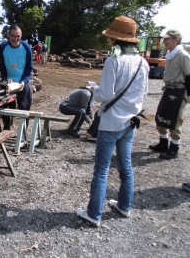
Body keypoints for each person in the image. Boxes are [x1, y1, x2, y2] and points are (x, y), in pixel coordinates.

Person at [76, 16, 149, 227]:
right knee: (126, 167)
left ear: (114, 39)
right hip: (130, 122)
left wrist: (93, 90)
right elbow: (143, 93)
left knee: (101, 170)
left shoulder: (113, 60)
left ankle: (93, 214)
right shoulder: (142, 62)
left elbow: (106, 93)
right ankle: (125, 206)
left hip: (111, 123)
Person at [149, 29, 190, 160]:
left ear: (176, 40)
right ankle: (163, 143)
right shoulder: (170, 54)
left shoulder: (183, 56)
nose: (164, 41)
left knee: (175, 119)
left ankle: (174, 148)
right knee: (161, 115)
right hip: (169, 89)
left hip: (179, 90)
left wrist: (188, 94)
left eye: (167, 39)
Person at [0, 24, 33, 130]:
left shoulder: (26, 47)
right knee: (6, 108)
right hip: (9, 82)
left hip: (22, 82)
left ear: (21, 35)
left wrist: (23, 81)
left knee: (24, 108)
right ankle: (6, 129)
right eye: (13, 36)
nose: (15, 38)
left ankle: (23, 133)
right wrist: (4, 79)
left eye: (18, 36)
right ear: (8, 35)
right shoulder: (3, 47)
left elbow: (29, 67)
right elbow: (2, 66)